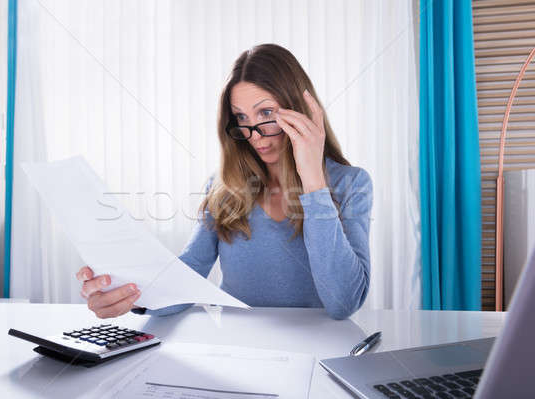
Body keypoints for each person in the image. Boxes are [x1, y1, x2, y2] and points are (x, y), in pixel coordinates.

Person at [76, 43, 373, 320]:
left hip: (316, 354)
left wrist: (313, 182)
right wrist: (132, 294)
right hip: (236, 348)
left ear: (300, 110)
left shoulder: (352, 184)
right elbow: (189, 273)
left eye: (266, 113)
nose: (253, 135)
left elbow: (343, 303)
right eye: (241, 118)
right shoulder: (223, 187)